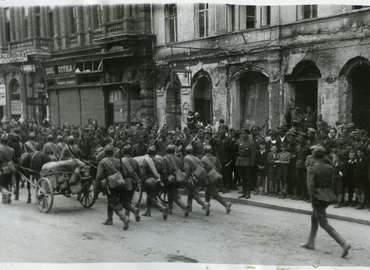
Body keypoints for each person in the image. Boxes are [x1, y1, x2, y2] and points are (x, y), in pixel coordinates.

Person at [301, 146, 351, 258]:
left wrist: (312, 201)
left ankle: (343, 243)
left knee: (323, 222)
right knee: (314, 217)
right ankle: (310, 242)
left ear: (314, 155)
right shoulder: (328, 167)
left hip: (317, 197)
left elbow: (310, 186)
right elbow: (336, 168)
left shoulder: (312, 169)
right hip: (327, 196)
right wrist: (328, 160)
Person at [94, 145, 130, 230]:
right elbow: (124, 173)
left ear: (105, 153)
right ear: (113, 153)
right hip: (120, 184)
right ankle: (109, 219)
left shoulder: (102, 162)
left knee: (113, 202)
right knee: (110, 200)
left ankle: (124, 218)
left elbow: (98, 177)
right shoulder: (118, 160)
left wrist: (96, 189)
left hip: (110, 185)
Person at [201, 145, 232, 214]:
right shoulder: (215, 158)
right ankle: (206, 204)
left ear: (204, 151)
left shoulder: (203, 159)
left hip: (208, 178)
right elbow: (220, 168)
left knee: (214, 194)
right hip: (216, 177)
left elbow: (203, 171)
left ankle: (226, 204)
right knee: (207, 191)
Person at [141, 146, 168, 220]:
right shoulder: (160, 161)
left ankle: (162, 208)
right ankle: (148, 211)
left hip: (150, 181)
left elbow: (143, 174)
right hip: (158, 181)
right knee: (151, 195)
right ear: (155, 153)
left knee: (151, 197)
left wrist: (143, 182)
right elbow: (164, 172)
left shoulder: (145, 161)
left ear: (148, 153)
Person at [162, 144, 189, 217]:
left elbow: (164, 171)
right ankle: (170, 209)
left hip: (170, 178)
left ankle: (184, 206)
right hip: (177, 178)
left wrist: (164, 180)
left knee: (172, 194)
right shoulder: (178, 158)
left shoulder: (165, 158)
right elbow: (182, 168)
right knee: (171, 192)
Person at [183, 145, 210, 215]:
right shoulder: (196, 158)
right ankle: (189, 207)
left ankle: (204, 204)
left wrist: (186, 177)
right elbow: (202, 167)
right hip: (198, 177)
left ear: (186, 152)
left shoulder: (186, 158)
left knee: (194, 194)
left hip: (192, 178)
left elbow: (187, 169)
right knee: (190, 192)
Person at [120, 145, 142, 221]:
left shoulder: (121, 160)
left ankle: (134, 210)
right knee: (129, 199)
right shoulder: (135, 161)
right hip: (133, 183)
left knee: (123, 202)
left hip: (124, 183)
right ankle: (127, 215)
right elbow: (140, 173)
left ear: (123, 152)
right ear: (130, 152)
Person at [236, 128, 254, 199]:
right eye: (241, 133)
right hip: (240, 161)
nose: (242, 135)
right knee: (242, 177)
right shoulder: (240, 141)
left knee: (248, 178)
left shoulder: (251, 142)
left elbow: (253, 154)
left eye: (244, 133)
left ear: (247, 134)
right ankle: (244, 192)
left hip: (247, 161)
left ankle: (248, 193)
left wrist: (252, 164)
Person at [0, 134, 15, 204]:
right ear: (7, 141)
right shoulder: (11, 150)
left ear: (1, 140)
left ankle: (6, 193)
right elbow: (13, 160)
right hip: (10, 169)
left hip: (2, 169)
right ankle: (5, 198)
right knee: (5, 183)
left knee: (1, 185)